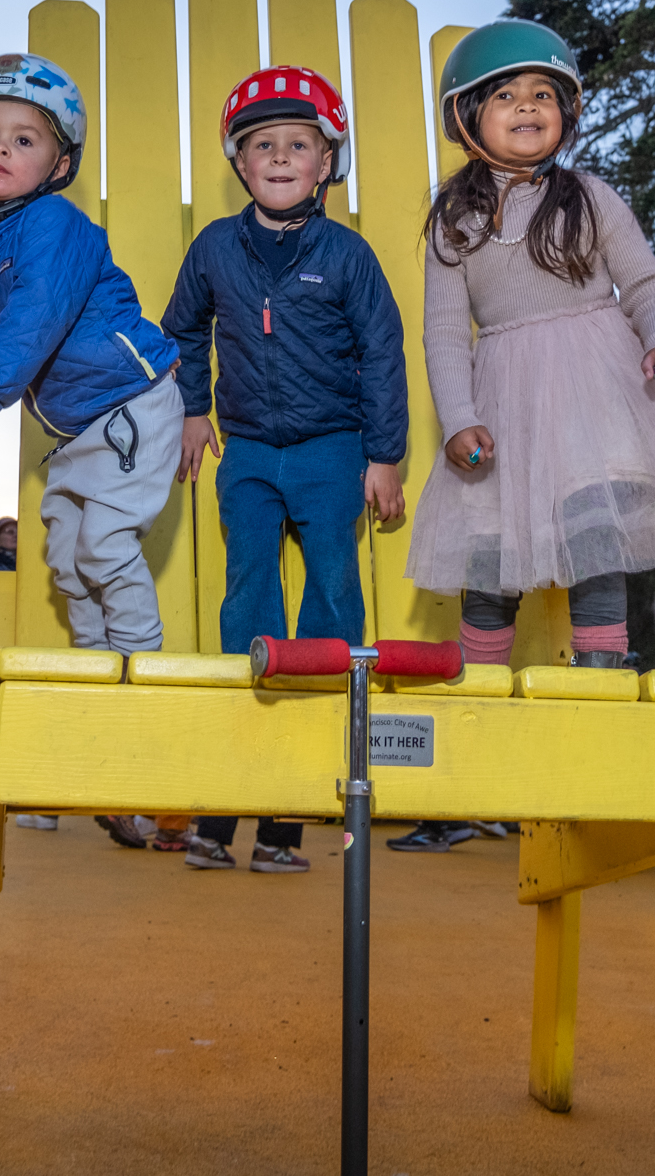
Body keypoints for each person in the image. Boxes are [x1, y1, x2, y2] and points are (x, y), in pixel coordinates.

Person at [406, 19, 655, 669]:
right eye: (504, 95)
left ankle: (600, 678)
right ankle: (483, 691)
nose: (527, 104)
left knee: (597, 541)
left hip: (595, 401)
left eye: (543, 93)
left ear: (567, 111)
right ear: (467, 116)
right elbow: (442, 332)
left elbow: (646, 282)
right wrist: (460, 418)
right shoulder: (454, 220)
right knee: (490, 560)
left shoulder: (591, 198)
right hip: (504, 408)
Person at [163, 64, 408, 875]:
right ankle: (228, 799)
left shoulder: (346, 255)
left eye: (297, 144)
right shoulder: (214, 249)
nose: (278, 157)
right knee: (248, 598)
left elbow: (382, 353)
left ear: (325, 163)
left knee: (334, 591)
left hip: (333, 446)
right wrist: (193, 409)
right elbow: (181, 329)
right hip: (250, 451)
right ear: (240, 162)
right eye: (262, 144)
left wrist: (384, 456)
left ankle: (288, 819)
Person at [0, 53, 182, 653]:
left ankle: (139, 666)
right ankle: (92, 664)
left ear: (59, 164)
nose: (0, 149)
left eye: (22, 139)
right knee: (66, 555)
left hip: (125, 402)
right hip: (79, 421)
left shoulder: (53, 220)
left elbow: (36, 318)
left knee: (105, 545)